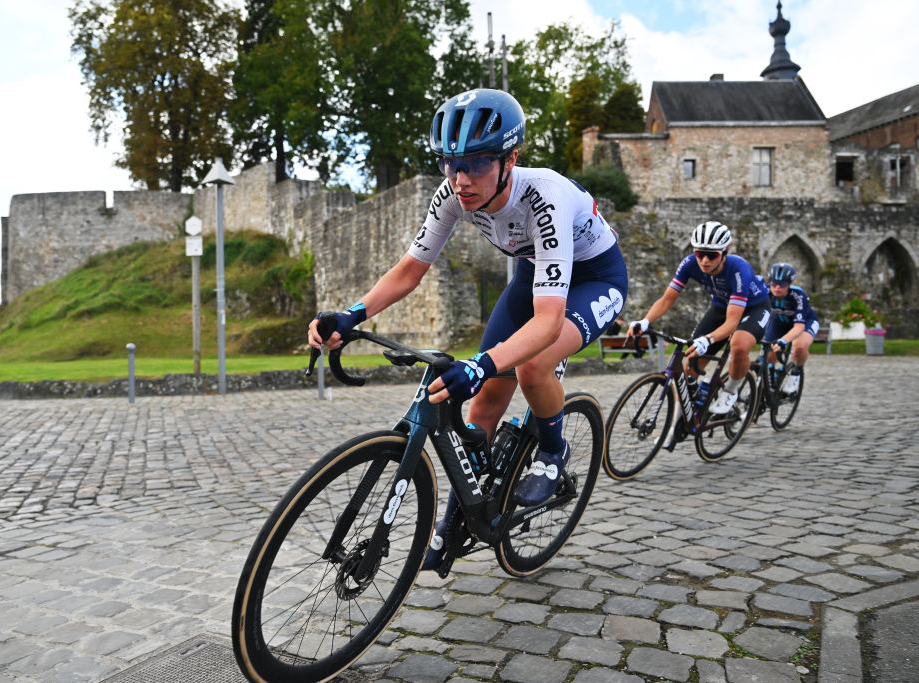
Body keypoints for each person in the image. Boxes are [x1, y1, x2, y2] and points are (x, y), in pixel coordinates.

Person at [308, 88, 628, 569]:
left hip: (594, 279)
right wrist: (353, 314)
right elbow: (409, 270)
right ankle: (460, 514)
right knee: (481, 405)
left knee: (533, 367)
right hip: (531, 277)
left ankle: (553, 449)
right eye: (449, 164)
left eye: (476, 163)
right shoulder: (453, 194)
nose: (461, 179)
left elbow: (547, 322)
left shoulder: (545, 198)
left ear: (510, 159)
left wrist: (482, 364)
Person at [626, 221, 770, 437]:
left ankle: (730, 391)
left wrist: (709, 340)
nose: (704, 260)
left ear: (725, 253)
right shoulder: (690, 263)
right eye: (699, 253)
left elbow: (732, 323)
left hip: (754, 308)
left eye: (711, 255)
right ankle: (682, 417)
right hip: (720, 306)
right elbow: (667, 299)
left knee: (738, 345)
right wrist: (645, 321)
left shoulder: (738, 269)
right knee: (689, 362)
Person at [764, 263, 818, 394]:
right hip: (780, 322)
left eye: (782, 285)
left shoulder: (797, 295)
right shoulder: (765, 292)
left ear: (790, 283)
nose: (777, 288)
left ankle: (796, 372)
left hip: (804, 322)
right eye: (773, 283)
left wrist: (784, 340)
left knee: (799, 347)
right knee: (768, 353)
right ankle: (771, 375)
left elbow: (799, 326)